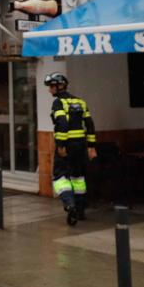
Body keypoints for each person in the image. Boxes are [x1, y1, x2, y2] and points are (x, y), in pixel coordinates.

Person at [44, 72, 96, 225]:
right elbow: (90, 124)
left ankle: (69, 204)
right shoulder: (80, 102)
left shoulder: (59, 103)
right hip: (81, 145)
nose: (49, 90)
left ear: (60, 86)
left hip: (67, 145)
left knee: (60, 177)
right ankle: (80, 210)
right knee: (78, 177)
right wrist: (91, 146)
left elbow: (62, 124)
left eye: (52, 86)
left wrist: (60, 145)